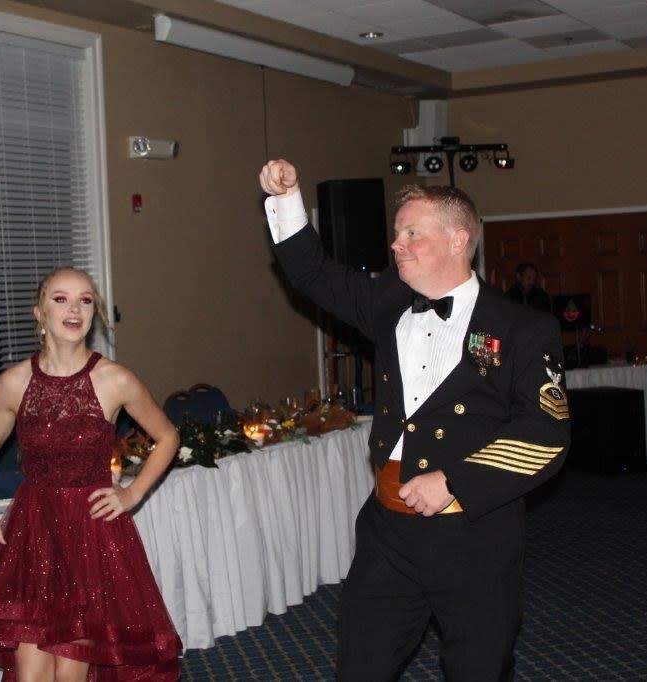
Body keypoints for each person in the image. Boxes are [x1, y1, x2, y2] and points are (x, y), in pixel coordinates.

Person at [259, 159, 570, 681]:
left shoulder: (522, 327)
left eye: (411, 233)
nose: (396, 244)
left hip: (475, 536)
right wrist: (288, 199)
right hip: (388, 532)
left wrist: (454, 481)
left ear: (456, 240)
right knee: (360, 666)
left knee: (478, 669)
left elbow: (547, 433)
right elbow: (312, 273)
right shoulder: (387, 301)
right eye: (396, 233)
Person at [0, 266, 181, 681]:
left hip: (91, 535)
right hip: (33, 534)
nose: (74, 309)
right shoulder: (13, 383)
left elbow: (167, 437)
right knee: (32, 674)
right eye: (61, 299)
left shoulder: (115, 378)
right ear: (38, 312)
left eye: (85, 300)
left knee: (69, 672)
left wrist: (132, 495)